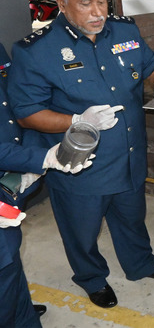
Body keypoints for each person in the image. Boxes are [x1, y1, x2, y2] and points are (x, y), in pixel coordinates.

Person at [7, 0, 154, 309]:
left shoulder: (124, 31)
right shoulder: (35, 50)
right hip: (81, 165)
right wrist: (76, 119)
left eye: (102, 2)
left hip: (129, 155)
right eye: (86, 3)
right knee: (81, 231)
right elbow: (26, 114)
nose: (98, 12)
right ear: (61, 2)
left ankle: (140, 263)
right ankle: (91, 278)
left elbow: (150, 64)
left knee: (132, 217)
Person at [1, 42, 92, 327]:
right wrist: (40, 159)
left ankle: (20, 313)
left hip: (7, 183)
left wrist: (29, 162)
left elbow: (15, 108)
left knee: (11, 267)